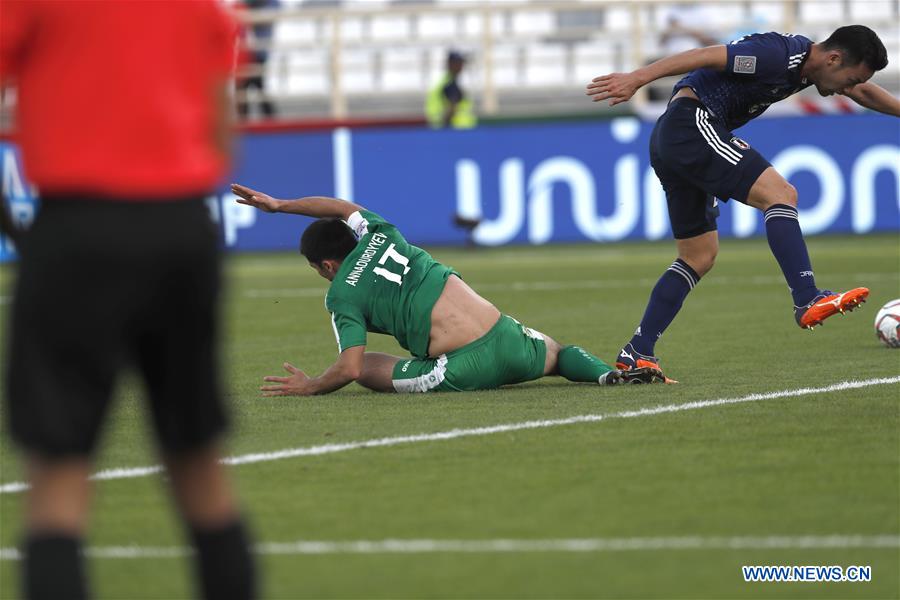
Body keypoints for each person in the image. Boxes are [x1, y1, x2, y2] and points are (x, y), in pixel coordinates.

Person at [0, 2, 255, 599]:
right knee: (201, 471)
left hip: (77, 228)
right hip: (181, 227)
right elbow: (221, 135)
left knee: (59, 481)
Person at [586, 25, 898, 379]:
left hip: (675, 137)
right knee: (781, 195)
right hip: (692, 124)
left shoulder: (811, 69)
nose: (847, 89)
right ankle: (807, 297)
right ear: (834, 58)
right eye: (849, 78)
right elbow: (705, 56)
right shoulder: (776, 55)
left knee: (698, 256)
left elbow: (865, 93)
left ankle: (637, 352)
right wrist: (638, 78)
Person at [231, 183, 666, 395]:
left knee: (364, 368)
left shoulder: (340, 294)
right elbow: (344, 208)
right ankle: (609, 375)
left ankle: (425, 364)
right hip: (508, 338)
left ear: (326, 265)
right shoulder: (382, 232)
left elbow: (349, 368)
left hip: (462, 367)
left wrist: (309, 385)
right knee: (557, 354)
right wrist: (281, 206)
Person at [236, 0, 278, 120]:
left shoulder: (269, 4)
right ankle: (269, 119)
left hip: (257, 52)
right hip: (245, 52)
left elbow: (264, 19)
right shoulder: (244, 5)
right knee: (251, 85)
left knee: (251, 85)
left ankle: (267, 119)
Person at [425, 50, 477, 129]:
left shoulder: (444, 82)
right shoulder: (451, 84)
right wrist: (445, 130)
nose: (461, 66)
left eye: (461, 63)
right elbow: (451, 109)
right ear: (450, 64)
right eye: (458, 63)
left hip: (447, 130)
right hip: (458, 130)